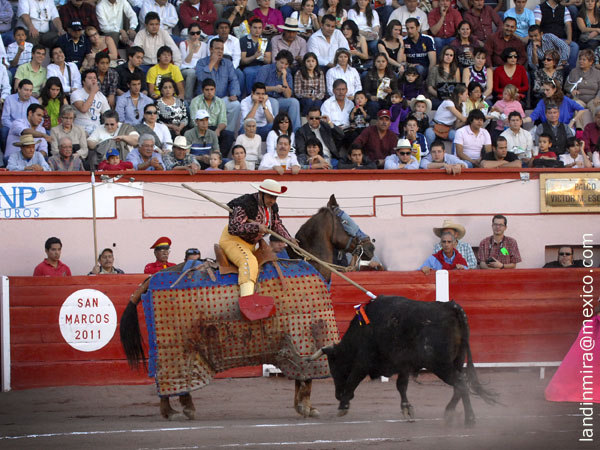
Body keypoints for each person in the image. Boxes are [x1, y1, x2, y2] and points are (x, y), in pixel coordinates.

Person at [219, 178, 294, 298]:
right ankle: (247, 300)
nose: (273, 201)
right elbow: (233, 228)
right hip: (233, 240)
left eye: (275, 198)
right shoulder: (244, 203)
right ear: (261, 194)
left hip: (251, 244)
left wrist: (289, 239)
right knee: (249, 262)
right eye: (270, 197)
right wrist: (256, 227)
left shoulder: (272, 208)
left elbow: (276, 224)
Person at [195, 38, 242, 134]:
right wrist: (212, 63)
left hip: (222, 99)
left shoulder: (228, 63)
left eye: (222, 49)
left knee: (236, 105)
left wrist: (234, 93)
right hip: (205, 100)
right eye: (217, 49)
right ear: (211, 50)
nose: (220, 51)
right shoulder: (201, 62)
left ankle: (228, 132)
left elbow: (233, 79)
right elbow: (202, 78)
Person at [258, 50, 301, 132]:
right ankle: (275, 131)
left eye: (286, 64)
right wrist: (274, 88)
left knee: (294, 102)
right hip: (265, 98)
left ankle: (295, 132)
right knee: (274, 102)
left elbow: (288, 95)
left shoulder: (287, 73)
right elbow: (258, 88)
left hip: (279, 99)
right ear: (276, 60)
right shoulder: (265, 69)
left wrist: (284, 78)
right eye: (281, 62)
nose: (283, 66)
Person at [189, 78, 234, 156]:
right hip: (199, 127)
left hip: (214, 128)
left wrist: (218, 130)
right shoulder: (195, 101)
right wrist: (207, 131)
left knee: (229, 135)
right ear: (203, 90)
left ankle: (219, 158)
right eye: (207, 90)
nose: (209, 92)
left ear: (215, 90)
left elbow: (223, 121)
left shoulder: (220, 102)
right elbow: (194, 121)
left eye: (211, 89)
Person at [534, 0, 579, 69]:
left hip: (560, 39)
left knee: (574, 46)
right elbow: (537, 25)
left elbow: (568, 24)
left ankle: (569, 74)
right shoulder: (539, 8)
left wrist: (569, 39)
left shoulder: (564, 8)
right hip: (546, 40)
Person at [71, 69, 110, 136]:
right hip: (81, 129)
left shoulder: (101, 96)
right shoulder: (76, 93)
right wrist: (93, 92)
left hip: (97, 129)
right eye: (90, 78)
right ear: (83, 81)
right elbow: (83, 109)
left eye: (95, 78)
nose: (93, 80)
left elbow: (108, 114)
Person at [239, 17, 272, 96]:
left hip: (262, 66)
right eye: (255, 27)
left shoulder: (265, 40)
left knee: (265, 72)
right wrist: (254, 56)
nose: (257, 30)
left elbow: (268, 61)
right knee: (251, 73)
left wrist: (262, 57)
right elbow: (243, 60)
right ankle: (250, 95)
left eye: (260, 28)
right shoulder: (244, 40)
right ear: (250, 28)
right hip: (249, 66)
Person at [564, 49, 600, 116]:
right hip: (578, 98)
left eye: (584, 60)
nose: (581, 61)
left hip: (593, 99)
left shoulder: (597, 73)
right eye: (580, 59)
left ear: (591, 62)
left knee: (597, 108)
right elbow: (567, 85)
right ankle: (579, 126)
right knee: (575, 105)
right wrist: (572, 90)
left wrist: (598, 97)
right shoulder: (574, 72)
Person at [180, 23, 206, 103]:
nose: (195, 35)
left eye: (198, 33)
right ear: (188, 34)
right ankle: (188, 99)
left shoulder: (204, 45)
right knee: (192, 73)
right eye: (192, 33)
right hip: (185, 69)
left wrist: (198, 67)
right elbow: (186, 61)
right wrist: (192, 49)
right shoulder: (183, 44)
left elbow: (203, 61)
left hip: (198, 68)